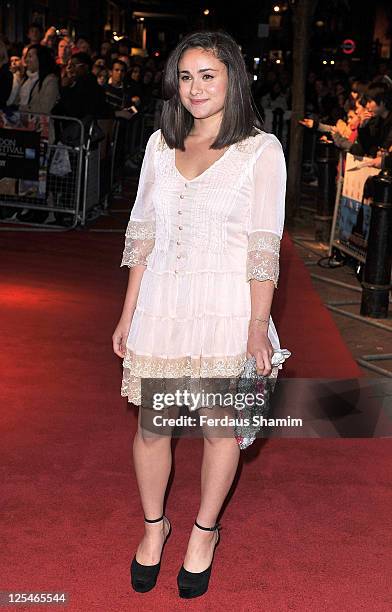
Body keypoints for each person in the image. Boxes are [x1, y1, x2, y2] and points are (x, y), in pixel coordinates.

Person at [112, 30, 291, 599]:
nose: (195, 88)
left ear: (234, 79)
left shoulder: (261, 151)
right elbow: (143, 234)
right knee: (153, 427)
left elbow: (264, 245)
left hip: (226, 308)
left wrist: (257, 327)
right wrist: (127, 314)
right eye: (185, 76)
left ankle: (204, 533)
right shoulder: (160, 147)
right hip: (164, 304)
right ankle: (153, 527)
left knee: (219, 428)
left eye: (208, 75)